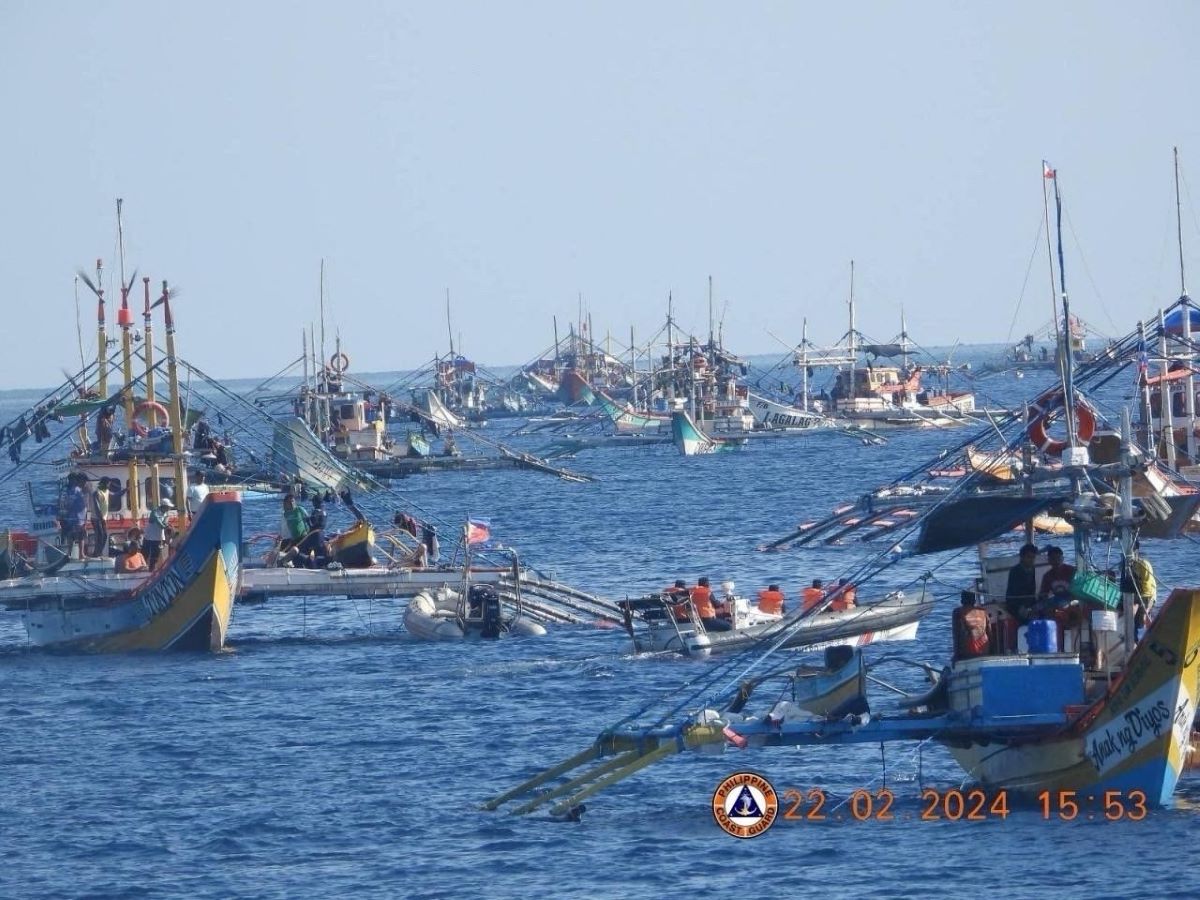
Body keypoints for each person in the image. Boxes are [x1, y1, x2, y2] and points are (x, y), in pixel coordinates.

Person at [1005, 543, 1040, 623]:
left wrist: (1034, 605)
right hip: (1015, 604)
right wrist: (1026, 608)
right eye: (1029, 557)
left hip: (1029, 602)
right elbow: (1015, 592)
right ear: (1022, 557)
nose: (1031, 560)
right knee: (1027, 617)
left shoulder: (1032, 569)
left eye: (1033, 557)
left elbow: (1032, 589)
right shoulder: (1015, 571)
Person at [953, 591, 990, 659]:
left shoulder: (957, 612)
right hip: (984, 649)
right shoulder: (983, 611)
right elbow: (989, 632)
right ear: (974, 601)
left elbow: (956, 634)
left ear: (962, 601)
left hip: (969, 652)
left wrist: (956, 655)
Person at [65, 473, 89, 560]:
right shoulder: (75, 490)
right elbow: (69, 504)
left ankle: (72, 554)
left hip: (80, 517)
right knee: (79, 535)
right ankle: (77, 554)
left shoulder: (75, 490)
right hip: (76, 517)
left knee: (77, 535)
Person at [145, 499, 174, 569]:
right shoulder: (154, 512)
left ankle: (154, 569)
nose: (169, 508)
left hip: (160, 536)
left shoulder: (166, 514)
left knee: (157, 554)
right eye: (168, 507)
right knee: (149, 554)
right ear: (163, 506)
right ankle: (150, 569)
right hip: (150, 537)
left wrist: (167, 524)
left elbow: (165, 522)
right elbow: (159, 523)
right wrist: (165, 526)